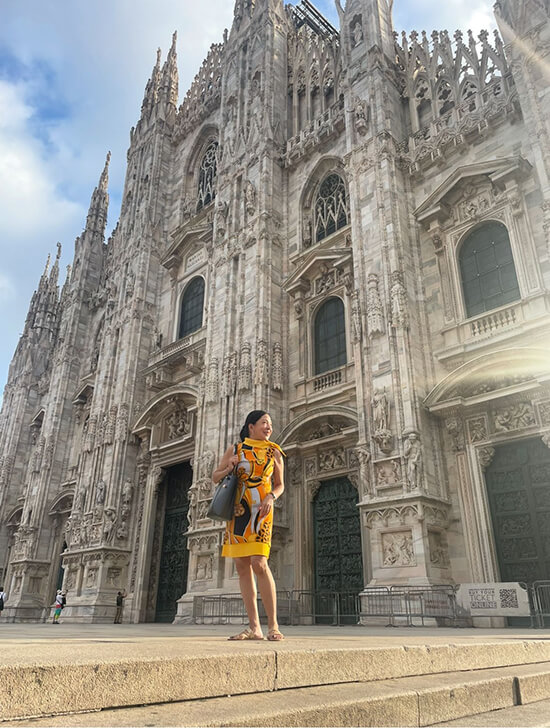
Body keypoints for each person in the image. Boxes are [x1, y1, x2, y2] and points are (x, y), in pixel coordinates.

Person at [213, 410, 285, 641]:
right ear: (251, 426)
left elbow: (280, 484)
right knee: (242, 566)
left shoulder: (274, 451)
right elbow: (215, 477)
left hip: (262, 511)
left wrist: (271, 497)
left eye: (270, 423)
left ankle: (273, 626)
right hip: (238, 510)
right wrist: (229, 467)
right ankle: (255, 628)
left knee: (259, 562)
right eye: (264, 422)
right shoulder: (236, 449)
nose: (269, 427)